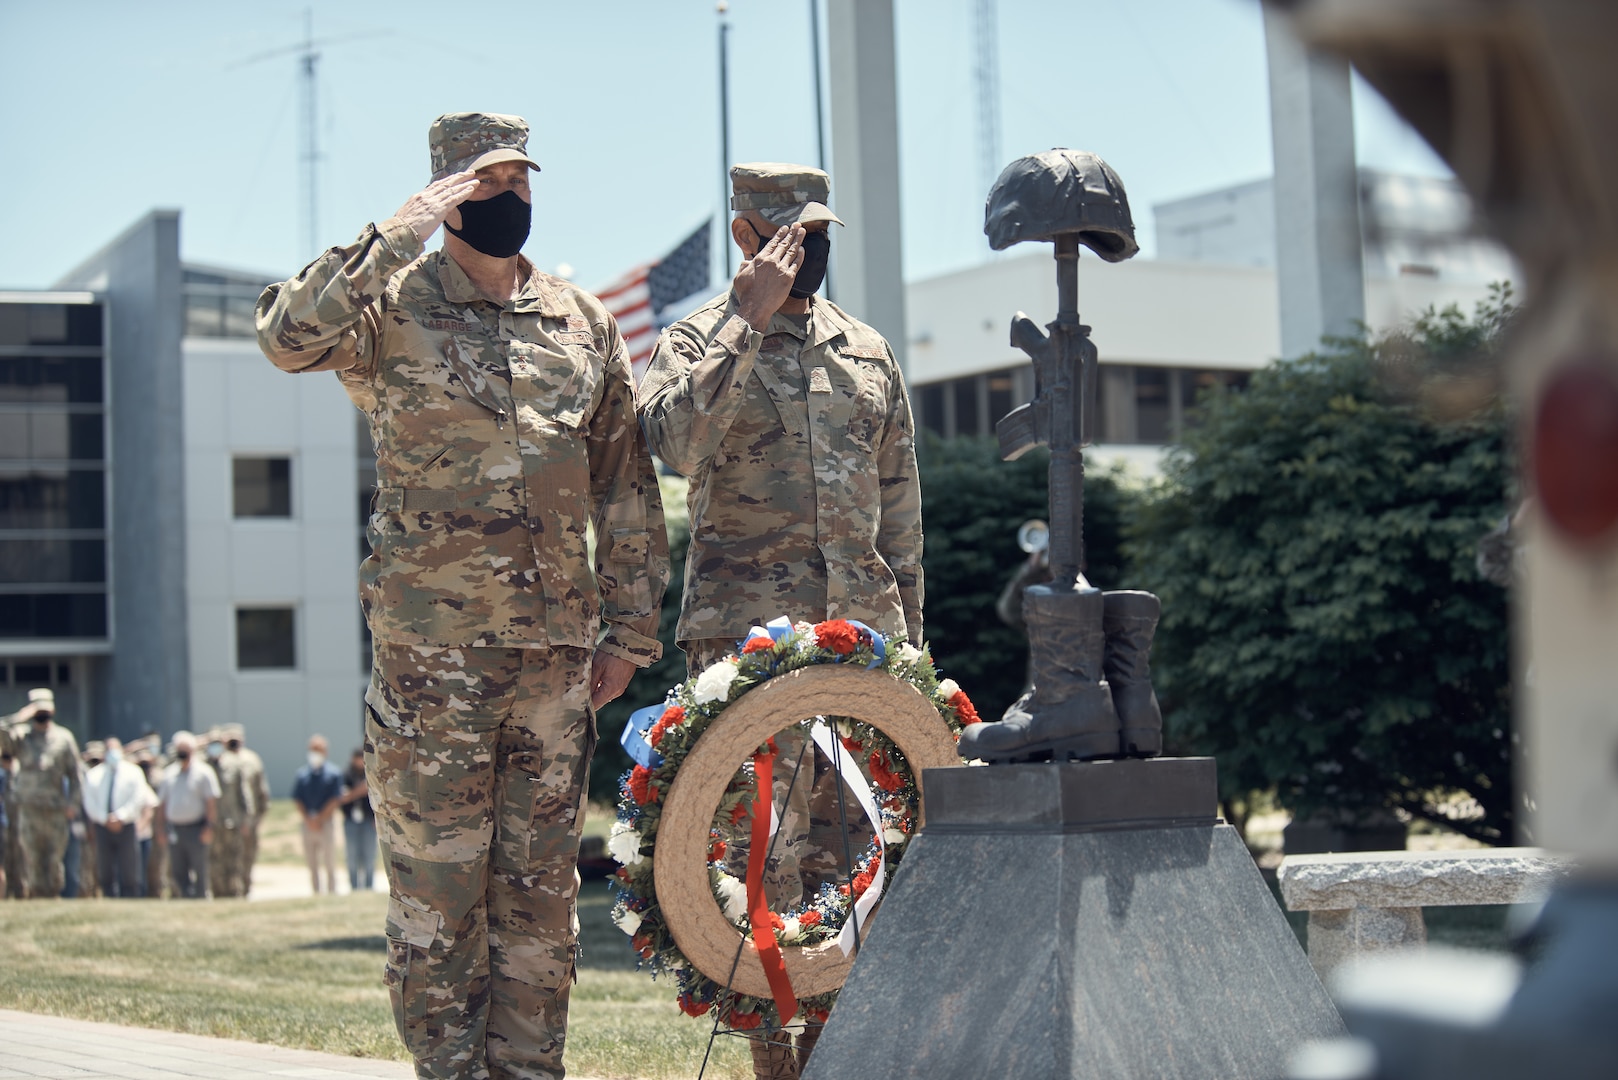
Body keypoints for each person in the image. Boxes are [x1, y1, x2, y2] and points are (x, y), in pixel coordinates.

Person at [255, 111, 669, 1079]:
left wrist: (630, 631)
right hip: (431, 674)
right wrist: (389, 236)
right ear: (443, 194)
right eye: (485, 184)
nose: (508, 199)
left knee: (538, 914)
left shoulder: (579, 323)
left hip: (556, 674)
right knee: (438, 914)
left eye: (520, 180)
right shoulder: (388, 307)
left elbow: (624, 484)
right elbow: (282, 335)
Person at [638, 162, 924, 1079]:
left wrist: (911, 649)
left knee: (865, 856)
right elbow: (672, 443)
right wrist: (745, 323)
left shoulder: (868, 353)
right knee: (763, 856)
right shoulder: (693, 341)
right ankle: (772, 1059)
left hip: (861, 647)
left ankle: (849, 1053)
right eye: (794, 232)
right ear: (747, 236)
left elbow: (901, 515)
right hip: (746, 648)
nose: (814, 249)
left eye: (822, 231)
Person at [0, 689, 83, 899]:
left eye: (45, 708)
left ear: (53, 709)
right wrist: (19, 717)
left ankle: (53, 894)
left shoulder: (64, 738)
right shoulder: (21, 736)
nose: (42, 712)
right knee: (31, 857)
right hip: (28, 808)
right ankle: (36, 894)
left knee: (54, 858)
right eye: (37, 708)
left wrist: (73, 804)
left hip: (55, 808)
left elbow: (76, 775)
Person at [81, 737, 154, 898]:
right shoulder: (94, 775)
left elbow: (138, 798)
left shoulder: (133, 772)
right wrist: (104, 818)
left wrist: (120, 817)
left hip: (126, 825)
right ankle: (109, 895)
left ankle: (130, 897)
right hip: (102, 826)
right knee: (105, 866)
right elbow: (89, 802)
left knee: (129, 866)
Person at [156, 731, 219, 899]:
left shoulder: (204, 772)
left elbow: (211, 802)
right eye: (179, 749)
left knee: (199, 867)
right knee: (178, 869)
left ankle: (201, 897)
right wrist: (161, 829)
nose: (182, 753)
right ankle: (186, 896)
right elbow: (162, 804)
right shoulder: (168, 773)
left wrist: (209, 826)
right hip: (175, 828)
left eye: (185, 749)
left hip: (196, 828)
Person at [220, 724, 270, 895]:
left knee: (247, 859)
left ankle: (245, 890)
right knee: (227, 860)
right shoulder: (220, 761)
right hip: (227, 821)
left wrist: (256, 820)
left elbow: (261, 792)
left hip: (248, 821)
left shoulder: (252, 760)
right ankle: (230, 893)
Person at [292, 735, 344, 895]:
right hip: (308, 823)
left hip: (326, 823)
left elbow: (335, 799)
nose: (315, 753)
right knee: (312, 862)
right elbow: (297, 799)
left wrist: (320, 818)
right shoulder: (302, 774)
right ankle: (316, 892)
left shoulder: (334, 773)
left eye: (318, 750)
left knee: (329, 861)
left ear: (325, 751)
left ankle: (331, 892)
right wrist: (308, 819)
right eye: (313, 750)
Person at [339, 747, 377, 892]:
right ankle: (354, 887)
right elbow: (343, 797)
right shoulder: (346, 775)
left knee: (369, 855)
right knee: (352, 856)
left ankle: (369, 886)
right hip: (351, 821)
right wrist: (359, 791)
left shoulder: (371, 774)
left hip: (368, 821)